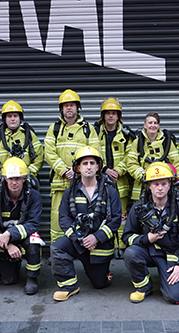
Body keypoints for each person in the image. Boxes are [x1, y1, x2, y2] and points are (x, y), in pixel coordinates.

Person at [50, 146, 121, 301]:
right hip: (78, 243)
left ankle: (104, 274)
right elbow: (64, 218)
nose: (88, 166)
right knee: (57, 247)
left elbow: (115, 220)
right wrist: (79, 239)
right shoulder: (70, 192)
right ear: (78, 168)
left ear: (98, 167)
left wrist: (96, 237)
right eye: (84, 163)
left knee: (99, 284)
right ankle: (69, 286)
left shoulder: (110, 192)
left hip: (100, 246)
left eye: (92, 163)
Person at [122, 162, 179, 304]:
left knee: (176, 297)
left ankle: (178, 288)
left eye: (164, 183)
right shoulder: (139, 207)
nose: (160, 188)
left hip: (172, 255)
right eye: (155, 184)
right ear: (149, 185)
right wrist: (147, 239)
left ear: (170, 184)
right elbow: (127, 237)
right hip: (149, 251)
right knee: (130, 253)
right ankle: (144, 286)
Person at [44, 89, 101, 242]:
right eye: (66, 105)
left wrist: (77, 172)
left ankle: (80, 247)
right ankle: (57, 251)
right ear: (61, 109)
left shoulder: (88, 129)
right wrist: (63, 170)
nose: (69, 108)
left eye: (72, 105)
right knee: (57, 217)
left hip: (82, 184)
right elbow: (48, 153)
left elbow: (96, 153)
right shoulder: (54, 129)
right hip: (59, 184)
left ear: (78, 108)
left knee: (81, 215)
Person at [0, 158, 43, 295]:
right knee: (7, 280)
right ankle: (12, 264)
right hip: (3, 241)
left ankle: (32, 278)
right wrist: (8, 244)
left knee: (34, 242)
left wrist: (10, 233)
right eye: (11, 178)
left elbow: (33, 224)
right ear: (4, 179)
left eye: (18, 178)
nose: (14, 182)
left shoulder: (34, 197)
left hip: (23, 237)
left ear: (24, 179)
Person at [94, 98, 136, 256]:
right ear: (103, 116)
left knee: (122, 214)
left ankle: (121, 245)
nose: (111, 116)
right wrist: (104, 169)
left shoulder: (127, 134)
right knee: (102, 212)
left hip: (120, 181)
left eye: (114, 113)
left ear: (119, 116)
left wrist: (118, 170)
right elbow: (91, 152)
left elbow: (131, 156)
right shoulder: (95, 132)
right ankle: (108, 244)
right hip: (100, 180)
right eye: (108, 113)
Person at [126, 112, 179, 202]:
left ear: (158, 125)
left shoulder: (167, 142)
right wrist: (143, 175)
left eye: (155, 123)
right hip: (142, 190)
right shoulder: (137, 142)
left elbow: (176, 163)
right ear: (145, 125)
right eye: (150, 123)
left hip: (162, 190)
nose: (153, 125)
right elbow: (131, 164)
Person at [0, 100, 44, 186]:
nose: (12, 119)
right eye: (9, 116)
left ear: (20, 118)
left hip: (24, 180)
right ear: (4, 119)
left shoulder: (29, 134)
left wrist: (29, 172)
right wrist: (0, 172)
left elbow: (39, 156)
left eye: (15, 116)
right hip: (4, 180)